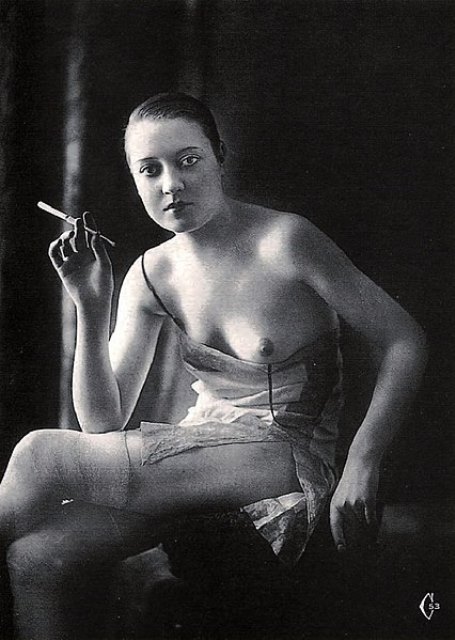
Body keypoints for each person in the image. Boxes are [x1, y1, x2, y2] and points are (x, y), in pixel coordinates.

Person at [3, 93, 426, 638]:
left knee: (40, 453)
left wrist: (364, 463)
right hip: (202, 451)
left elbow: (404, 339)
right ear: (135, 181)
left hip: (287, 454)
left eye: (188, 160)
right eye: (149, 170)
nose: (171, 184)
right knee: (38, 557)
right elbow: (102, 422)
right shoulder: (152, 272)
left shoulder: (286, 241)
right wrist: (90, 302)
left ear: (220, 156)